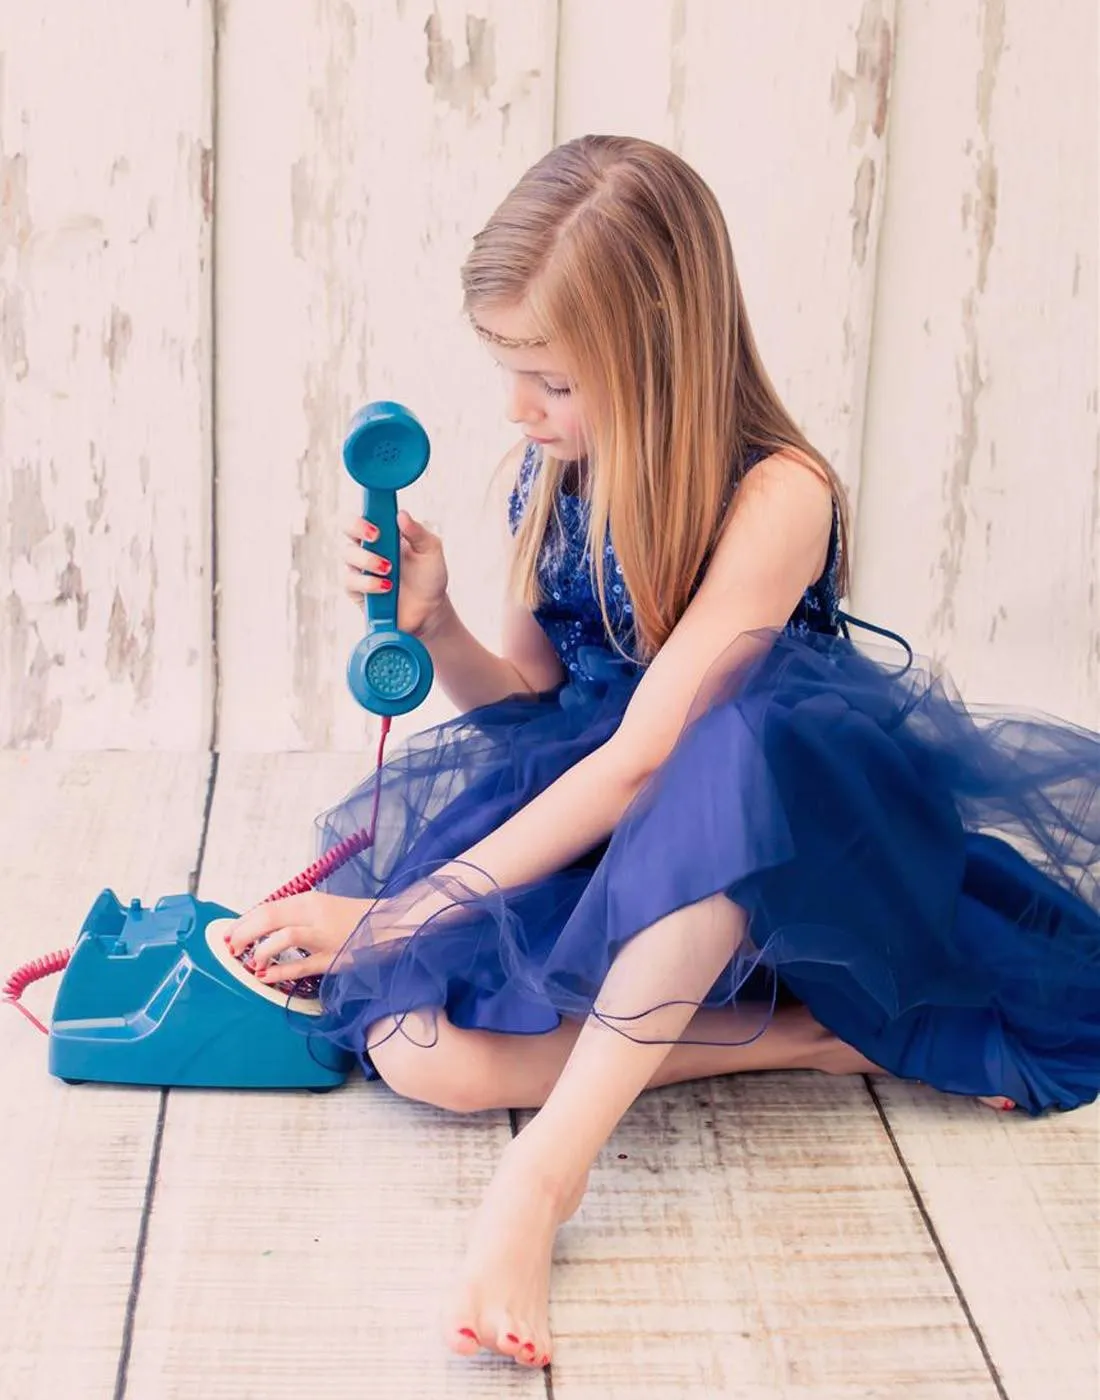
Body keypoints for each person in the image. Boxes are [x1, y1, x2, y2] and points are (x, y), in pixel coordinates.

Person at [226, 135, 1100, 1370]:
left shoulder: (776, 493)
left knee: (732, 749)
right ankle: (811, 1035)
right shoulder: (560, 469)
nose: (519, 410)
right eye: (512, 373)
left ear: (654, 348)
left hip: (787, 839)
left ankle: (541, 1178)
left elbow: (649, 757)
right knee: (413, 1049)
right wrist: (439, 624)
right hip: (616, 819)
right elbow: (536, 692)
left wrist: (398, 917)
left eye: (548, 379)